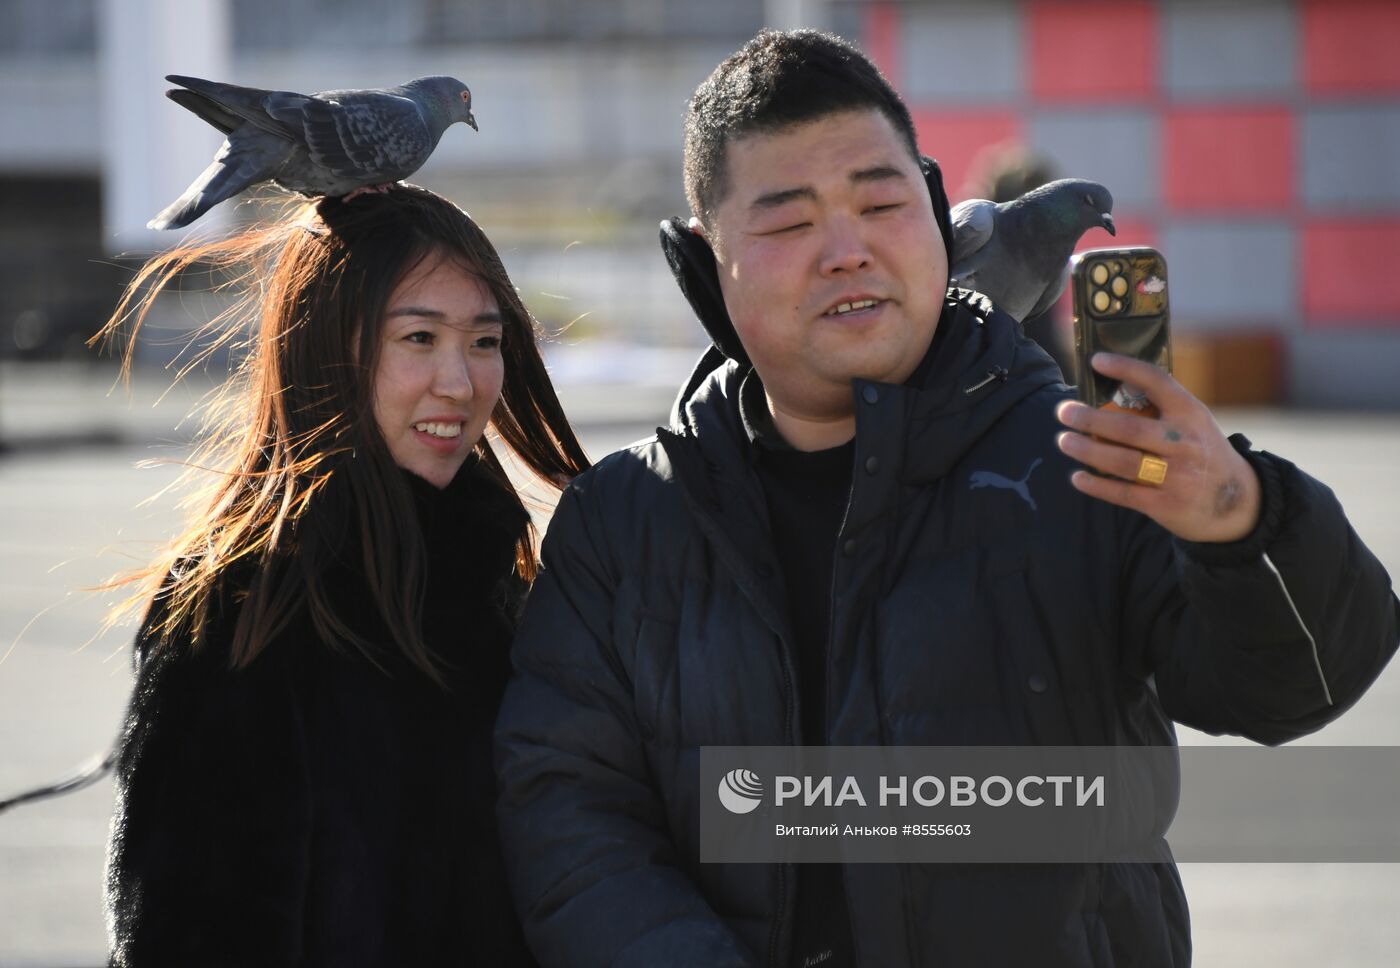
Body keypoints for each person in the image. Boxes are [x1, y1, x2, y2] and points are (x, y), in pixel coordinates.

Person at [493, 29, 1399, 968]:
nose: (847, 251)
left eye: (881, 202)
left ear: (935, 216)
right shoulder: (622, 522)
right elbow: (570, 812)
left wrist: (1244, 526)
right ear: (700, 267)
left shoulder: (1085, 463)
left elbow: (1303, 688)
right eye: (788, 222)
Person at [99, 185, 588, 967]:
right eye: (419, 338)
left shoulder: (497, 581)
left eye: (485, 342)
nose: (460, 384)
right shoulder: (248, 608)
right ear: (326, 349)